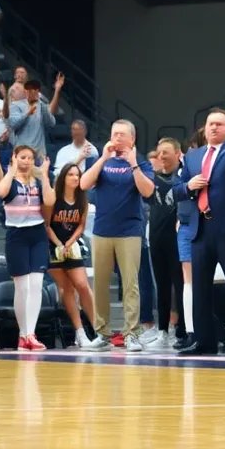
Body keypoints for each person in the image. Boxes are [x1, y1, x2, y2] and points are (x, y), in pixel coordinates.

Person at [172, 97, 225, 356]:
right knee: (199, 287)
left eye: (219, 124)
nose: (213, 128)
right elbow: (177, 190)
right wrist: (188, 187)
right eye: (210, 124)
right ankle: (204, 339)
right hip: (200, 227)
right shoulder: (194, 155)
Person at [79, 120, 155, 351]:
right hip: (102, 230)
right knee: (100, 284)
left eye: (122, 134)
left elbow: (148, 191)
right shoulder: (101, 162)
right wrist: (102, 158)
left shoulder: (141, 163)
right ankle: (102, 334)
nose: (117, 138)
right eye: (114, 134)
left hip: (129, 231)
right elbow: (83, 184)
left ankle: (131, 333)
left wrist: (133, 165)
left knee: (131, 284)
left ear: (132, 138)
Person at [0, 145, 55, 350]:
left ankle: (31, 333)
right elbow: (0, 192)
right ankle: (23, 334)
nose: (27, 161)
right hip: (16, 235)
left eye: (30, 158)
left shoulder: (38, 181)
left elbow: (50, 200)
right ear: (15, 158)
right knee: (23, 287)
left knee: (37, 285)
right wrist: (11, 169)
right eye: (23, 157)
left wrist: (45, 175)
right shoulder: (10, 180)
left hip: (37, 233)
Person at [46, 163, 95, 347]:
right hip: (54, 247)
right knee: (67, 289)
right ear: (63, 178)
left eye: (77, 175)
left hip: (72, 246)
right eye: (71, 175)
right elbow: (47, 224)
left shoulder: (83, 200)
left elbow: (81, 225)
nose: (75, 178)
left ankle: (98, 329)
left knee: (82, 285)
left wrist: (70, 242)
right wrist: (59, 244)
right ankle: (79, 332)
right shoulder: (53, 199)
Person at [144, 138, 185, 348]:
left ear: (178, 154)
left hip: (178, 240)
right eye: (159, 152)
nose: (161, 156)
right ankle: (162, 331)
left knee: (180, 286)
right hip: (157, 239)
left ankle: (183, 330)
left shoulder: (183, 179)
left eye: (166, 152)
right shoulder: (153, 179)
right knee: (161, 286)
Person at [8, 76, 63, 161]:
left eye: (35, 89)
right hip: (22, 152)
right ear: (25, 91)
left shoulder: (41, 105)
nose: (33, 91)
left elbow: (52, 123)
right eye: (29, 89)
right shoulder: (16, 105)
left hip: (39, 154)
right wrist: (27, 114)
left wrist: (42, 105)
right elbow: (13, 124)